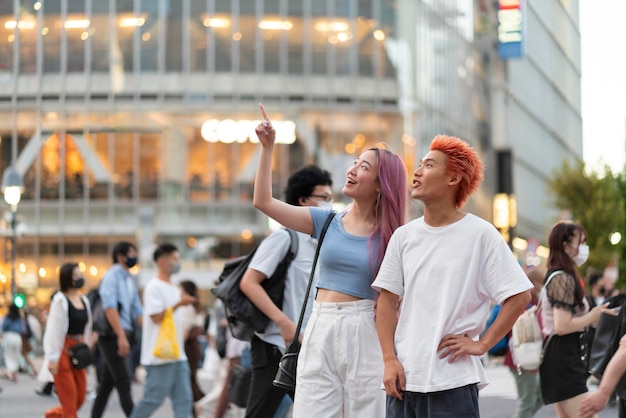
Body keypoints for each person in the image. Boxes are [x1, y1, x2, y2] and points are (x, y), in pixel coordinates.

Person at [252, 103, 408, 417]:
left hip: (365, 328)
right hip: (320, 324)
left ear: (381, 184)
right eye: (354, 163)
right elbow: (263, 202)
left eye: (363, 167)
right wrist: (267, 148)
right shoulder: (327, 221)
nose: (351, 170)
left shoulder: (397, 236)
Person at [372, 134, 533, 418]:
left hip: (453, 381)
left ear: (453, 179)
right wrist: (389, 360)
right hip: (404, 380)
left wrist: (483, 343)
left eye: (429, 165)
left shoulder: (481, 234)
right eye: (419, 164)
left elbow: (520, 295)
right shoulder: (404, 236)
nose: (418, 171)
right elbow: (385, 302)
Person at [240, 164, 333, 418]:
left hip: (306, 344)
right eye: (324, 197)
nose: (329, 204)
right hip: (275, 346)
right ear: (303, 201)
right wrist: (283, 323)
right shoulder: (284, 238)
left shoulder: (322, 242)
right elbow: (249, 282)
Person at [538, 220, 608, 418]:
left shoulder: (558, 275)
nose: (584, 247)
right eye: (581, 242)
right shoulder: (562, 278)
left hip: (561, 356)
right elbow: (562, 326)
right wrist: (592, 316)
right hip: (563, 357)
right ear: (566, 246)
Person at [130, 243, 196, 418]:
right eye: (175, 259)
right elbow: (155, 317)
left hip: (177, 354)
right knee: (152, 399)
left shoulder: (173, 287)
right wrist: (178, 304)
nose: (177, 262)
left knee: (184, 400)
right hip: (158, 356)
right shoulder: (154, 286)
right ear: (162, 261)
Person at [92, 241, 143, 418]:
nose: (133, 257)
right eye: (131, 253)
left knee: (107, 384)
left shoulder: (129, 279)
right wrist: (121, 336)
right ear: (120, 256)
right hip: (112, 335)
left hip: (123, 335)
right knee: (123, 381)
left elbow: (138, 311)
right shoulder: (112, 276)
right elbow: (109, 307)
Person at [40, 262, 93, 418]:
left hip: (79, 351)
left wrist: (89, 345)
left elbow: (88, 327)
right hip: (62, 351)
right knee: (69, 402)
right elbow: (53, 330)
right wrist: (52, 358)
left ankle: (53, 415)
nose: (79, 277)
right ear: (67, 279)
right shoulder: (60, 300)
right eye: (75, 275)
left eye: (80, 274)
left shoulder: (84, 300)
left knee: (80, 397)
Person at [503, 269, 545, 418]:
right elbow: (514, 337)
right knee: (527, 400)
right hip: (521, 359)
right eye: (542, 283)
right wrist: (525, 363)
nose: (543, 287)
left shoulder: (533, 303)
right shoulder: (523, 303)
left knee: (538, 395)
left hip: (525, 358)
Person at [178, 279, 207, 413]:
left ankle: (198, 406)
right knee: (191, 379)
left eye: (180, 289)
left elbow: (184, 331)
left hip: (188, 348)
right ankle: (198, 407)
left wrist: (178, 350)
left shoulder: (187, 308)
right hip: (194, 347)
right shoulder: (195, 307)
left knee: (188, 381)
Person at [1, 303, 25, 382]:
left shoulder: (8, 317)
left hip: (8, 336)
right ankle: (14, 371)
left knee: (8, 355)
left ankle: (11, 371)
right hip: (17, 337)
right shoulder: (19, 318)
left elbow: (3, 327)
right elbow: (22, 329)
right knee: (15, 355)